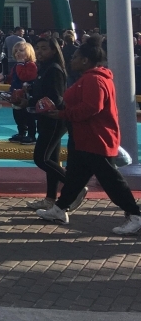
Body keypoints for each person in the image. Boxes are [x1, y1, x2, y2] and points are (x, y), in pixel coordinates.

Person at [36, 36, 141, 234]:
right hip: (84, 138)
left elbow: (91, 108)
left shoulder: (94, 80)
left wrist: (62, 114)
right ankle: (60, 208)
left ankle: (135, 214)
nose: (71, 59)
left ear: (85, 60)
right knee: (75, 176)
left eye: (75, 57)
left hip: (95, 138)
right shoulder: (91, 78)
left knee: (111, 179)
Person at [21, 37, 87, 212]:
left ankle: (75, 187)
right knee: (52, 160)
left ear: (53, 50)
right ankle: (51, 198)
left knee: (41, 158)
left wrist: (29, 101)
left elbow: (55, 98)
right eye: (38, 48)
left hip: (54, 119)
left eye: (44, 48)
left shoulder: (54, 70)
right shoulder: (45, 69)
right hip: (47, 119)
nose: (40, 52)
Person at [8, 41, 39, 144]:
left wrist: (20, 64)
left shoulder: (31, 65)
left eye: (21, 50)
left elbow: (24, 77)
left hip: (26, 95)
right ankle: (21, 132)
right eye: (16, 51)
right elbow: (13, 77)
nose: (18, 53)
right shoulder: (17, 65)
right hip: (17, 94)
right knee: (17, 115)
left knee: (28, 116)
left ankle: (31, 135)